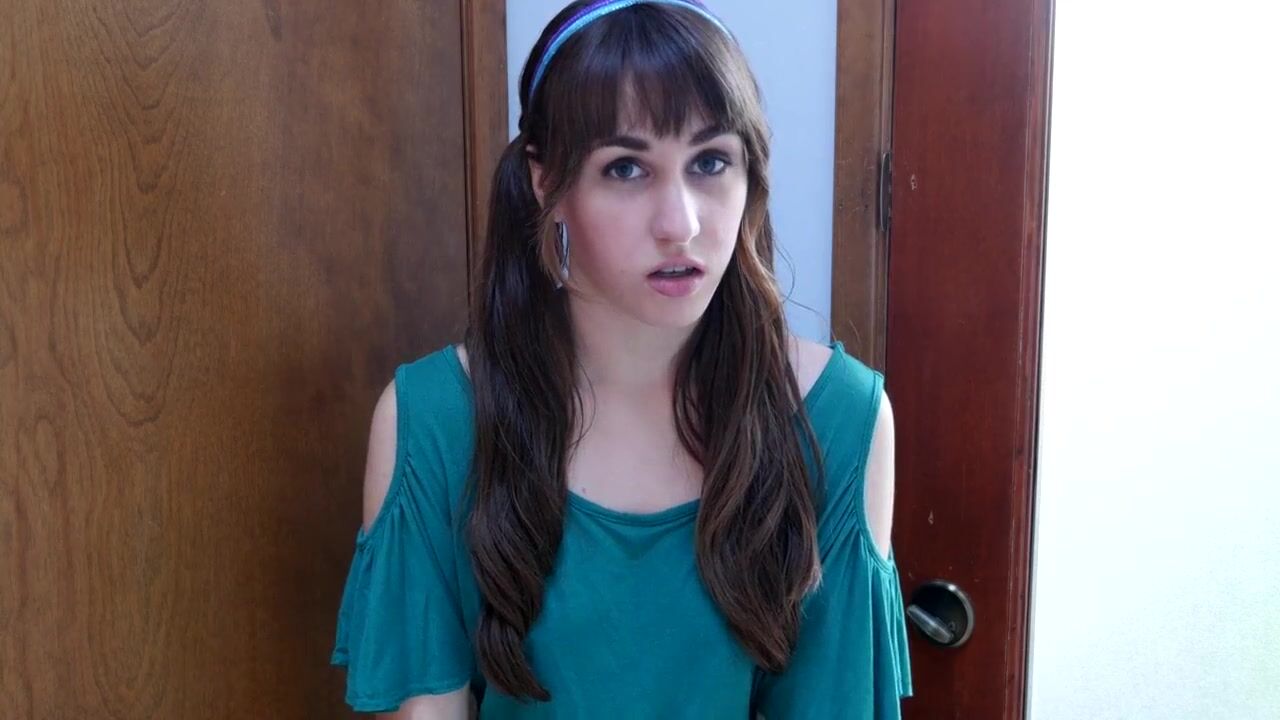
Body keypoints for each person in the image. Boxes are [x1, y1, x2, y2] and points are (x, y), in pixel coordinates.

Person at [330, 1, 913, 717]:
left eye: (710, 162)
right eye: (627, 168)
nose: (680, 224)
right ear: (546, 183)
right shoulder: (433, 421)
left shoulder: (840, 419)